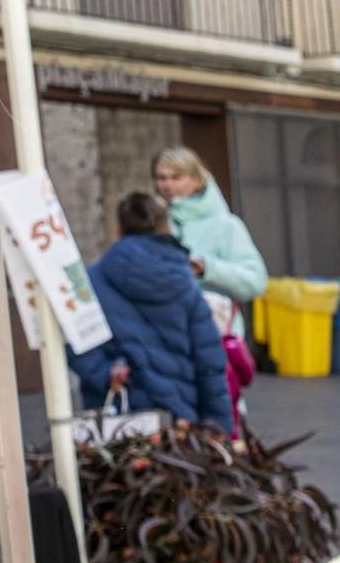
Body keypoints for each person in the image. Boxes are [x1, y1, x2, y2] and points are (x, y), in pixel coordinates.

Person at [69, 192, 230, 430]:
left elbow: (76, 342)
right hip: (179, 414)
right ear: (167, 228)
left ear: (119, 229)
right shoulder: (184, 283)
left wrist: (104, 373)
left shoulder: (91, 280)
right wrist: (220, 425)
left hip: (114, 416)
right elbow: (209, 361)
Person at [153, 146, 265, 430]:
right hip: (167, 347)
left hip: (215, 348)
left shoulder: (226, 226)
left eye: (175, 177)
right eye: (161, 177)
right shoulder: (154, 224)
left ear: (197, 180)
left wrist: (207, 268)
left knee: (221, 430)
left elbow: (255, 281)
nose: (166, 184)